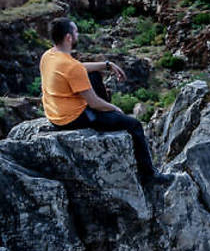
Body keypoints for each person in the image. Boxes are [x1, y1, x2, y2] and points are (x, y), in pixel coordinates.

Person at [40, 17, 172, 184]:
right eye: (76, 31)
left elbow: (78, 69)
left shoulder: (49, 56)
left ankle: (105, 114)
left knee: (93, 74)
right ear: (69, 38)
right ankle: (149, 175)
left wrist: (106, 64)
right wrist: (113, 108)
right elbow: (93, 102)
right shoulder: (71, 67)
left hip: (55, 113)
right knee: (134, 125)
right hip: (72, 119)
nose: (78, 34)